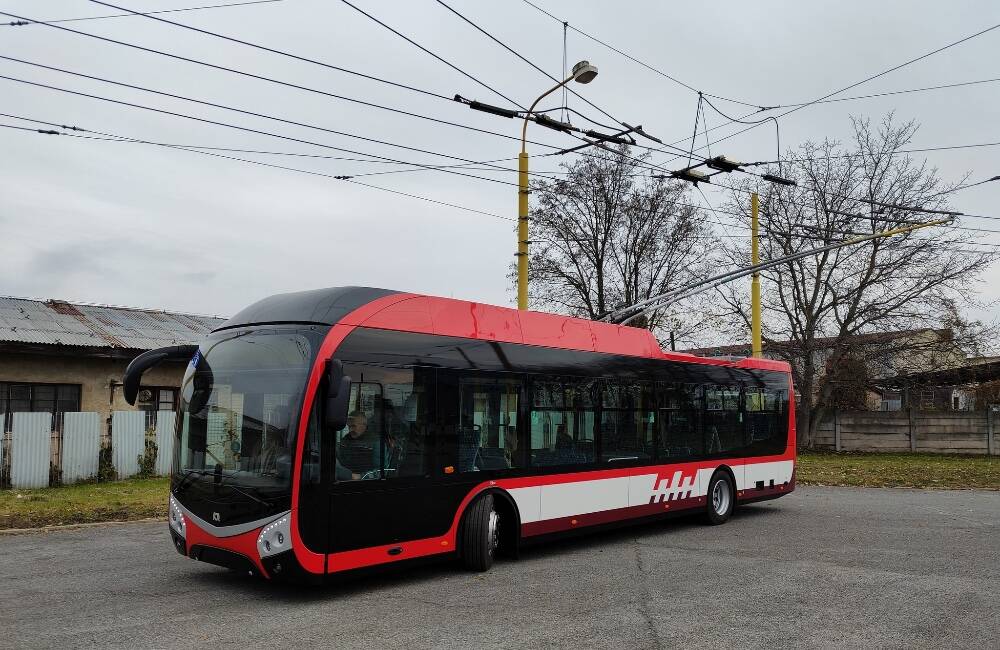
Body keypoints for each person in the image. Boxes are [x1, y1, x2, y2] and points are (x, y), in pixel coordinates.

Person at [337, 410, 376, 476]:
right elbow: (341, 462)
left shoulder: (374, 441)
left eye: (353, 426)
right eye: (349, 427)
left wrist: (361, 476)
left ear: (364, 425)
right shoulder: (345, 440)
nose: (350, 430)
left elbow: (379, 470)